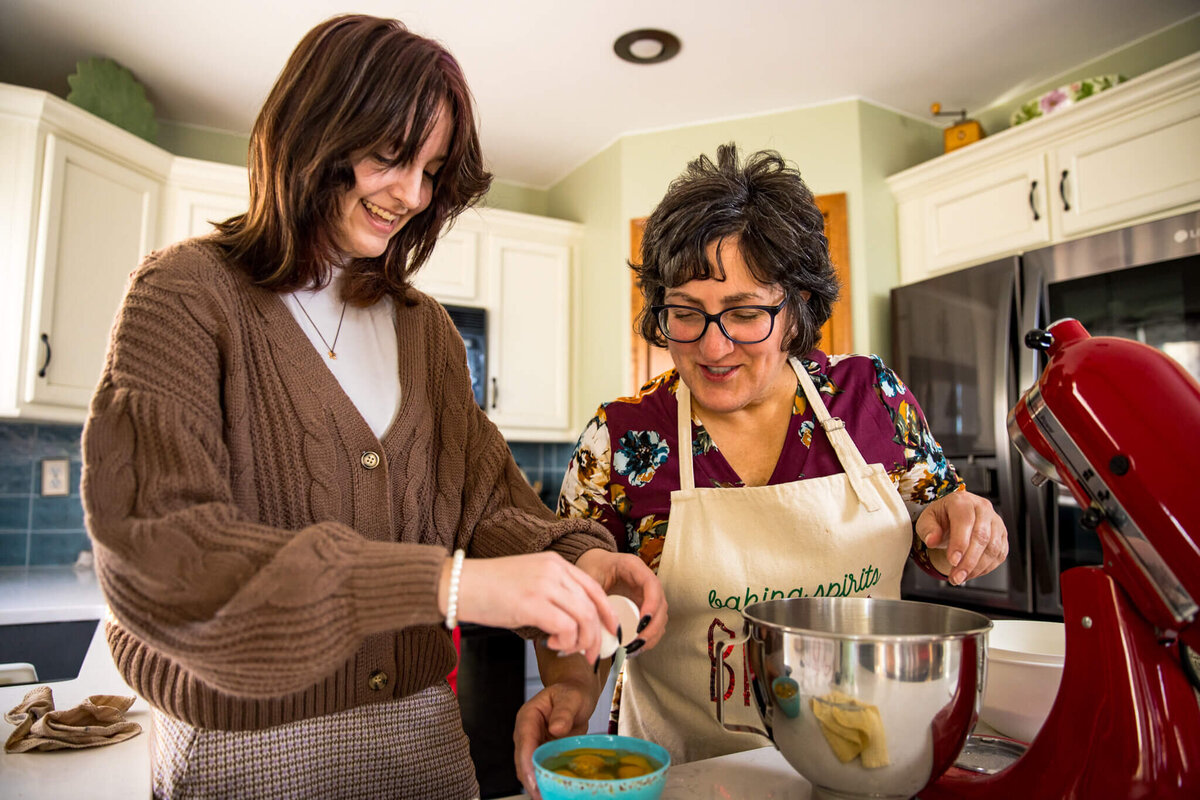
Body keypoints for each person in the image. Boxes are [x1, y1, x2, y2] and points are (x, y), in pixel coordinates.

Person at [81, 15, 664, 799]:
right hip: (243, 754)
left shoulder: (425, 332)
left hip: (422, 741)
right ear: (313, 131)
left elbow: (485, 504)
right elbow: (163, 556)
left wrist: (580, 564)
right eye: (391, 156)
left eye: (431, 170)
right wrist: (450, 587)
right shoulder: (184, 296)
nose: (413, 196)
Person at [513, 143, 1008, 779]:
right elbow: (581, 606)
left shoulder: (870, 399)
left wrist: (962, 528)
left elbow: (937, 536)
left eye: (745, 313)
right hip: (685, 772)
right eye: (685, 314)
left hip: (858, 765)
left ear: (795, 308)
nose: (712, 346)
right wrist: (575, 686)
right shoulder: (622, 439)